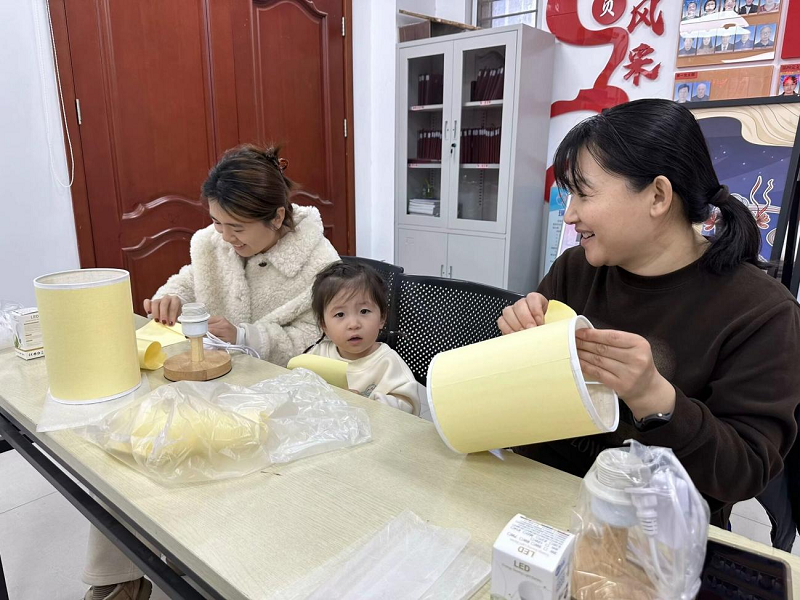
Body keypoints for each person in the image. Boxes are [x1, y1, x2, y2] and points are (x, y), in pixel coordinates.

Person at [497, 99, 800, 529]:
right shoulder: (577, 270)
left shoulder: (762, 312)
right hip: (545, 498)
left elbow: (745, 471)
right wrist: (518, 347)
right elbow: (527, 398)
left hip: (659, 532)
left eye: (584, 193)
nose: (570, 215)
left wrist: (656, 400)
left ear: (658, 196)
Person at [82, 143, 339, 600]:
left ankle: (202, 567)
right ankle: (120, 577)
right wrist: (169, 296)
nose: (223, 236)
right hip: (208, 380)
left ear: (277, 218)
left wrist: (246, 336)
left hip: (269, 393)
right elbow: (188, 277)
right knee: (132, 447)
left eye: (236, 227)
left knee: (187, 458)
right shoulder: (211, 243)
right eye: (217, 221)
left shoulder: (319, 265)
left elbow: (315, 337)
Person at [304, 261, 422, 415]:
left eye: (364, 311)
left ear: (382, 318)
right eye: (340, 314)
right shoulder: (317, 356)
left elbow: (407, 407)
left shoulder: (388, 363)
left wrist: (366, 405)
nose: (353, 324)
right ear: (324, 325)